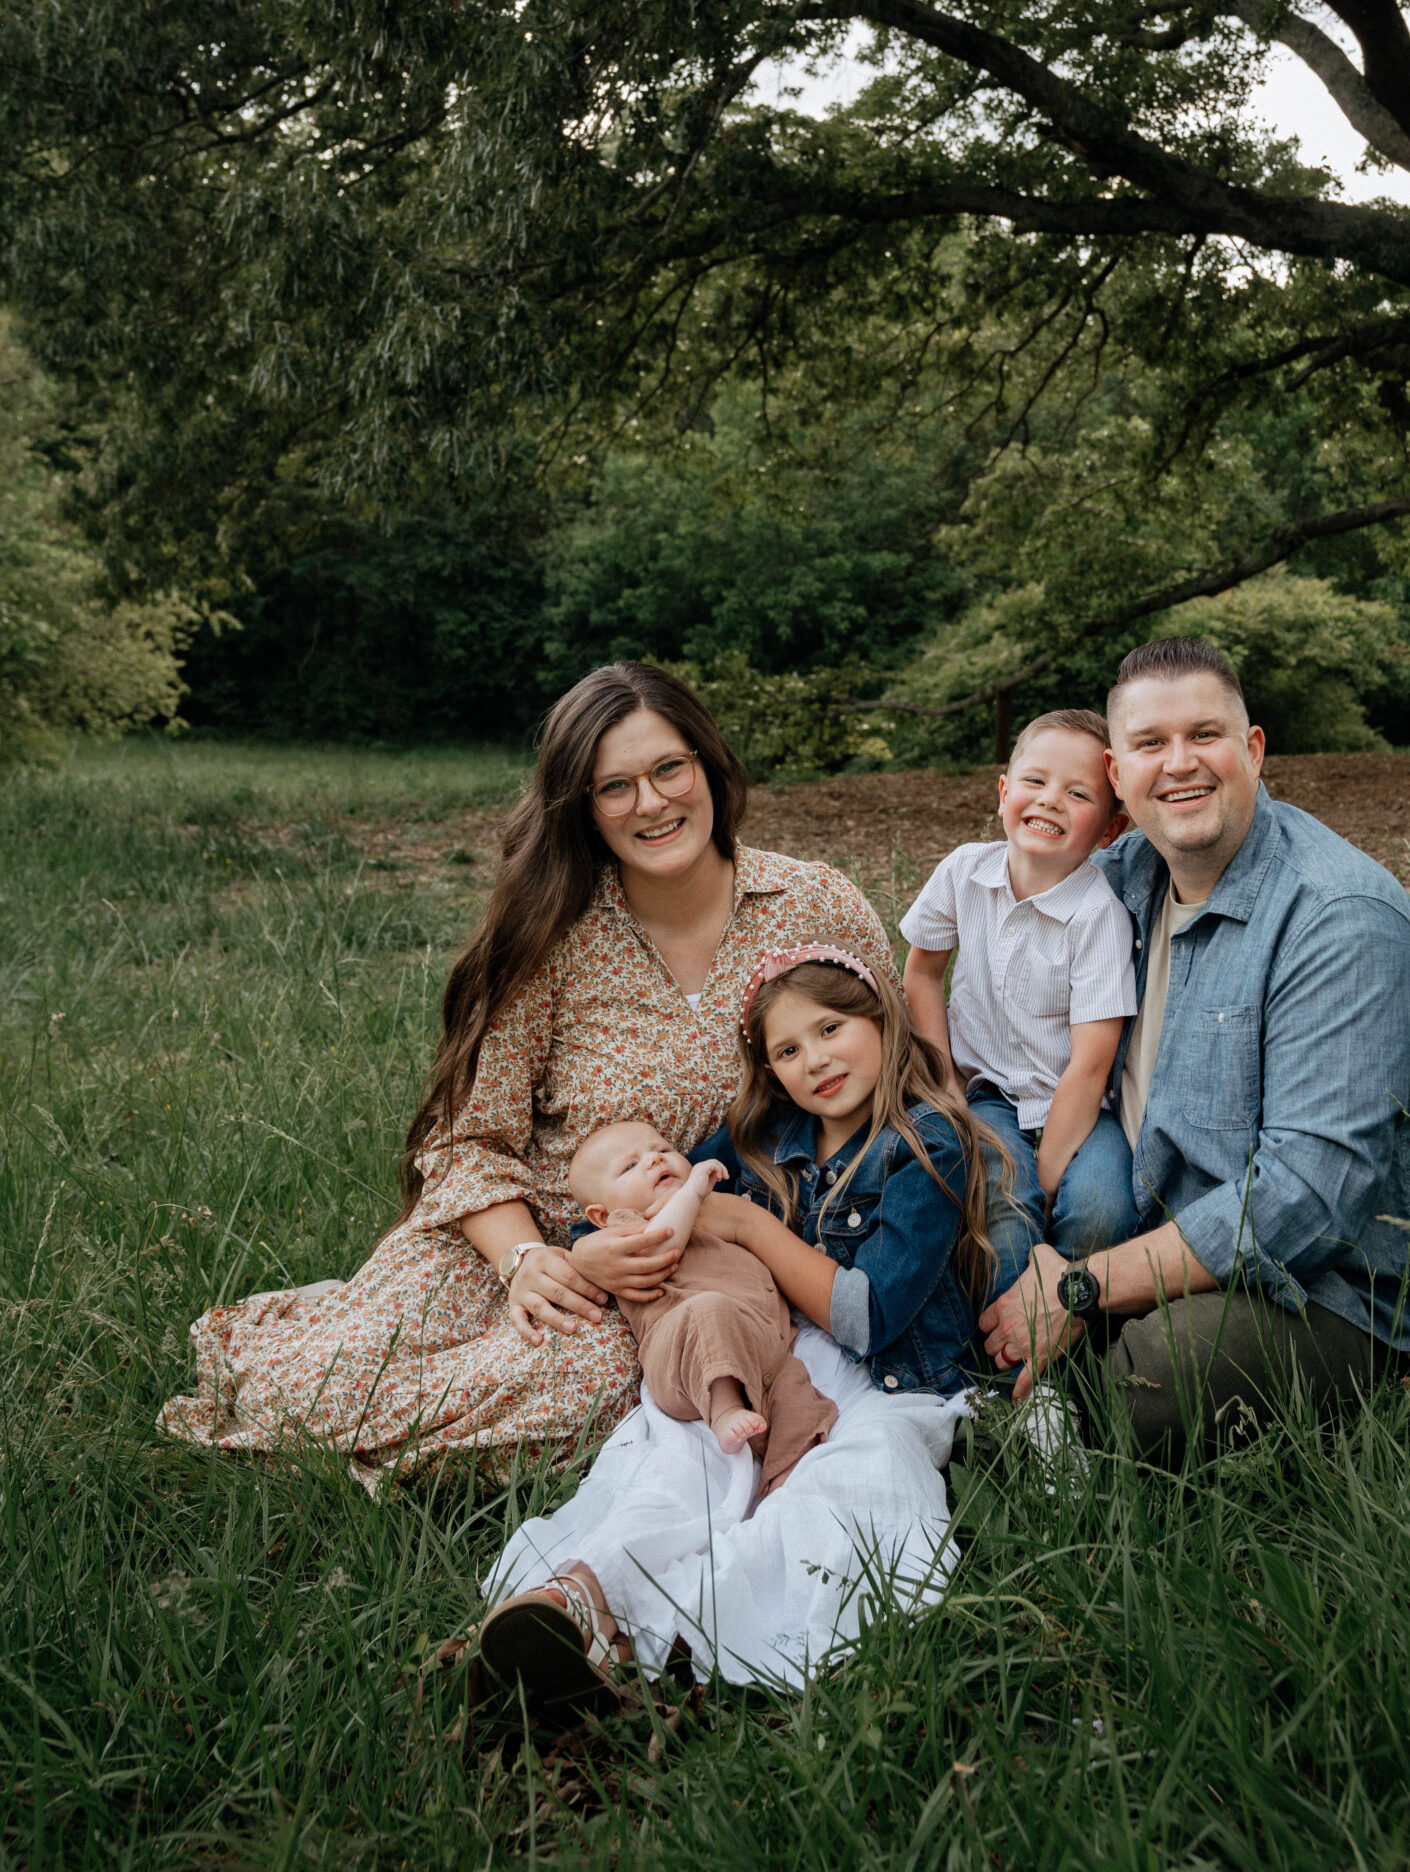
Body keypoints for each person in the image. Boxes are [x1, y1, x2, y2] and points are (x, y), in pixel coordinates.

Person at [156, 663, 898, 1487]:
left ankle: (412, 1446)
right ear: (582, 807)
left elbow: (903, 1065)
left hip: (677, 1273)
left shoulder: (813, 902)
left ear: (709, 764)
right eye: (614, 787)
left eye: (667, 769)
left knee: (581, 1388)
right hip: (511, 1235)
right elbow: (470, 1137)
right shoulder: (555, 930)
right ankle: (351, 1378)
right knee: (315, 1387)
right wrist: (527, 1262)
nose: (650, 804)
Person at [980, 637, 1410, 1459]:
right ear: (1115, 775)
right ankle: (1001, 1390)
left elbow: (1304, 1204)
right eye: (1148, 745)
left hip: (1333, 1288)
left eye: (1204, 735)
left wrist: (1078, 1285)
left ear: (1251, 750)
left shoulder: (1338, 920)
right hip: (1150, 1222)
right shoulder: (1123, 877)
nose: (1179, 764)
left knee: (1158, 1381)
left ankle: (1033, 1431)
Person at [477, 940, 995, 1707]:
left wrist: (751, 1230)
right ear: (768, 1069)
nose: (813, 1060)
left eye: (829, 1029)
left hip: (878, 1376)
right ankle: (578, 1600)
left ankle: (686, 1641)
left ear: (881, 1021)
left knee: (850, 1478)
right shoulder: (761, 1136)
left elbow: (870, 1316)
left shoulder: (924, 1146)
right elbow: (648, 1197)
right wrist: (589, 1254)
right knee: (678, 1461)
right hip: (751, 1351)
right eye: (786, 1049)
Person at [900, 708, 1139, 1292]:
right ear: (1004, 792)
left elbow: (1090, 1064)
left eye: (1078, 793)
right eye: (1035, 781)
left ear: (1110, 831)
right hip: (988, 1092)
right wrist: (946, 1084)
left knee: (1101, 1212)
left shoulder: (1098, 916)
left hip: (1081, 1104)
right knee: (1006, 1203)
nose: (1051, 799)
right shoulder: (965, 873)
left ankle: (1075, 1331)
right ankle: (1009, 1366)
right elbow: (921, 977)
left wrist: (1050, 1176)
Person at [564, 1117, 838, 1489]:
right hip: (683, 1351)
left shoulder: (718, 1209)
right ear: (599, 1215)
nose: (654, 1161)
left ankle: (786, 1475)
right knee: (710, 1309)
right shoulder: (624, 1230)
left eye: (662, 1150)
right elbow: (664, 1245)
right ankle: (724, 1411)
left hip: (760, 1345)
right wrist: (691, 1190)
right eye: (630, 1166)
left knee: (799, 1394)